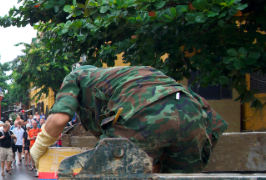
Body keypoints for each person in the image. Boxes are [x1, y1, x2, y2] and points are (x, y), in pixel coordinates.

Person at [32, 65, 228, 173]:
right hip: (192, 114)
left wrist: (38, 148)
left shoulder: (77, 76)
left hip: (141, 112)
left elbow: (58, 120)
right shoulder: (128, 76)